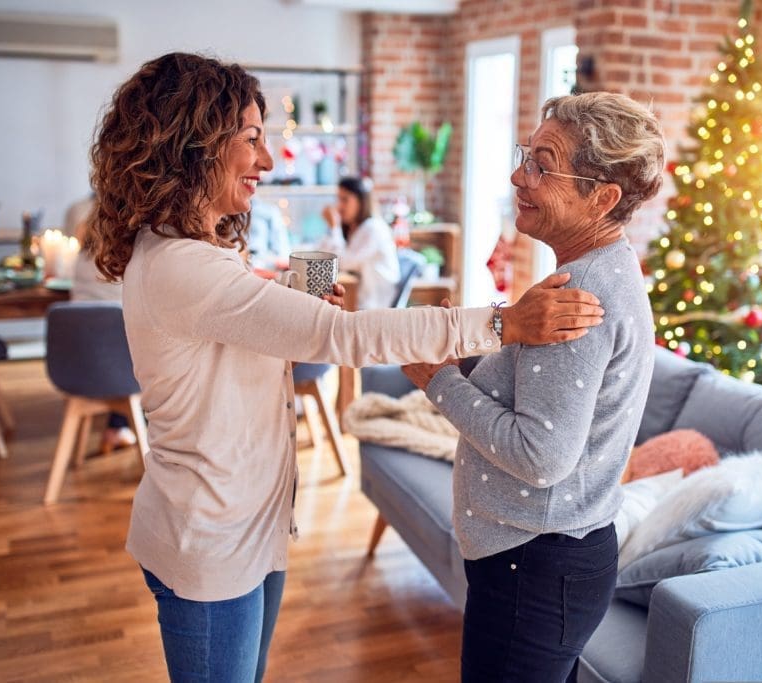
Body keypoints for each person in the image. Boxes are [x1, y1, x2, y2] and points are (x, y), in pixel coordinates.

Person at [87, 52, 605, 683]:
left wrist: (286, 297)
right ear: (193, 144)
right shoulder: (183, 267)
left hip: (245, 529)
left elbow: (237, 330)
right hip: (210, 540)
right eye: (252, 139)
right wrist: (503, 323)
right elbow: (342, 334)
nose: (268, 160)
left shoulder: (194, 252)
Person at [403, 92, 666, 682]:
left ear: (602, 198)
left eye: (543, 165)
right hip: (545, 561)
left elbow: (541, 455)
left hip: (535, 567)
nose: (520, 175)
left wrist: (438, 379)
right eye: (527, 154)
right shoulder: (594, 272)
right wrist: (470, 361)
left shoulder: (582, 298)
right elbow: (538, 399)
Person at [65, 194, 135, 453]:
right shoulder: (130, 264)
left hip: (76, 366)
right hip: (119, 372)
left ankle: (120, 427)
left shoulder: (80, 261)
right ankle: (120, 427)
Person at [318, 176, 400, 309]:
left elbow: (343, 262)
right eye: (338, 199)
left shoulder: (373, 228)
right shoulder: (355, 229)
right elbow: (323, 253)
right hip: (360, 299)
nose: (339, 206)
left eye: (345, 200)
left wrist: (334, 227)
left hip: (374, 304)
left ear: (361, 201)